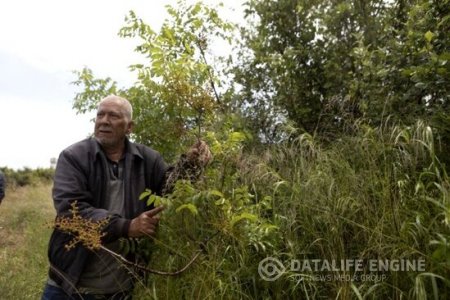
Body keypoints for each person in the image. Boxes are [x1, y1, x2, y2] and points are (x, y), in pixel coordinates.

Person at [42, 95, 211, 299]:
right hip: (68, 285)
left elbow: (170, 192)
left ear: (129, 127)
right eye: (100, 115)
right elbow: (71, 211)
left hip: (119, 289)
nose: (104, 120)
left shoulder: (148, 159)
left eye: (113, 115)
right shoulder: (74, 157)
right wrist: (127, 226)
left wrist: (190, 165)